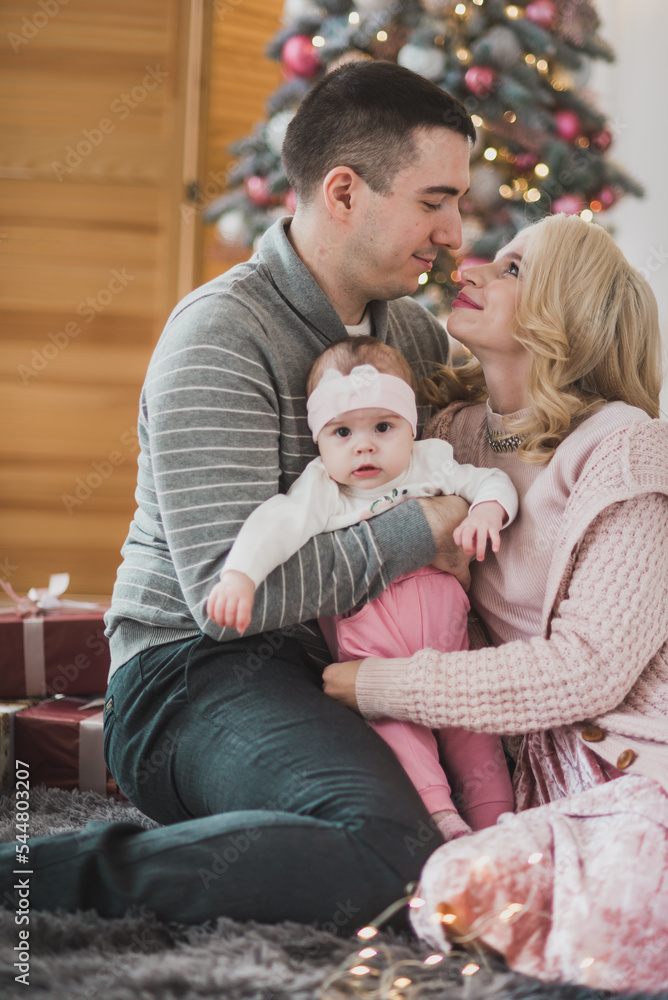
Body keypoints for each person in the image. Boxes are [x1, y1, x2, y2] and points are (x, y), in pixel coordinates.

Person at [0, 61, 478, 929]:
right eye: (435, 199)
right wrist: (425, 527)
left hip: (343, 664)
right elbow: (229, 603)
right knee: (394, 851)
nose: (454, 231)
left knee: (479, 827)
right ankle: (26, 874)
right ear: (343, 192)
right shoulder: (220, 336)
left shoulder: (407, 330)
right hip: (192, 674)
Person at [323, 212, 668, 989]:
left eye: (512, 269)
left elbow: (589, 671)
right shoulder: (447, 436)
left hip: (643, 763)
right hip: (531, 778)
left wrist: (383, 685)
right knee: (455, 888)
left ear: (568, 314)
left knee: (592, 898)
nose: (471, 269)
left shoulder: (624, 445)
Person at [207, 335, 518, 841]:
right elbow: (275, 524)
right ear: (320, 440)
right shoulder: (324, 490)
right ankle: (443, 823)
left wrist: (486, 510)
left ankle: (499, 824)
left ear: (409, 427)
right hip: (376, 669)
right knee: (401, 739)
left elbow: (490, 481)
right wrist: (240, 576)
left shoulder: (429, 461)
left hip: (454, 657)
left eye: (383, 427)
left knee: (476, 737)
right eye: (342, 432)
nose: (364, 445)